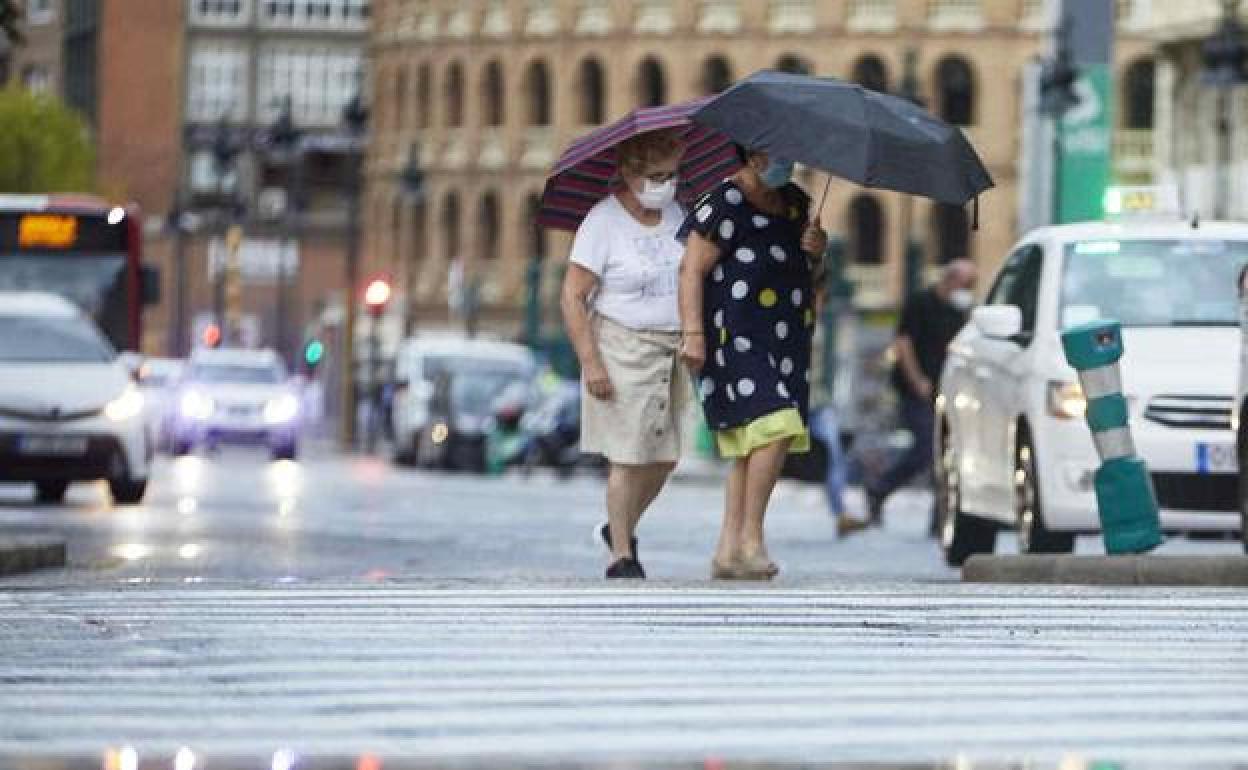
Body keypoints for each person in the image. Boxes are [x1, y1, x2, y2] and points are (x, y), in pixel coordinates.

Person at [678, 146, 828, 580]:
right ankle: (752, 539)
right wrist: (692, 334)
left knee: (752, 446)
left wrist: (817, 252)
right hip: (736, 336)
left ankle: (728, 550)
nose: (785, 161)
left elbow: (811, 274)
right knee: (776, 425)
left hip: (789, 337)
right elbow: (691, 270)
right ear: (752, 154)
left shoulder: (797, 203)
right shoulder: (723, 201)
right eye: (773, 152)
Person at [560, 129, 690, 580]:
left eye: (672, 175)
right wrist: (591, 362)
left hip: (670, 348)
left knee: (665, 456)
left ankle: (618, 525)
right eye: (656, 175)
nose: (665, 184)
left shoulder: (678, 215)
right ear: (630, 174)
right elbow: (573, 296)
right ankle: (621, 555)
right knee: (628, 455)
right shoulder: (602, 222)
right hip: (621, 344)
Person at [865, 259, 977, 533]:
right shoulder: (920, 303)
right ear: (951, 280)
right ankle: (881, 488)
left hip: (946, 390)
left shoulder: (957, 311)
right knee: (927, 447)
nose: (969, 290)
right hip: (915, 389)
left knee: (944, 450)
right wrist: (917, 381)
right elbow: (903, 343)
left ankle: (938, 517)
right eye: (967, 284)